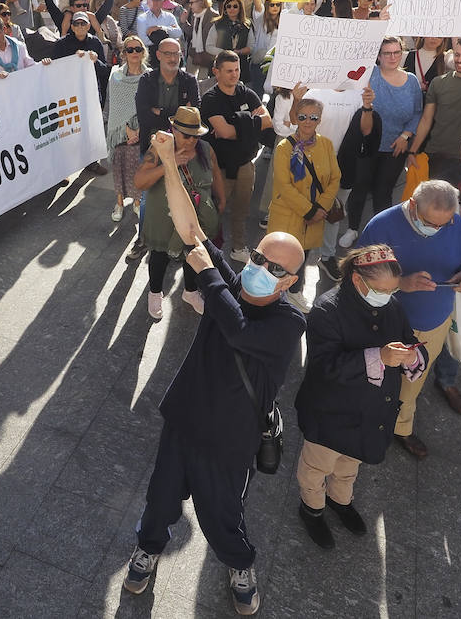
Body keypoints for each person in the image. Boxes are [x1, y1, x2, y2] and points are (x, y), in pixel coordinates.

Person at [123, 130, 306, 616]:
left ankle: (239, 564)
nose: (261, 267)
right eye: (259, 256)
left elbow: (240, 331)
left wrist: (207, 273)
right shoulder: (232, 280)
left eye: (274, 267)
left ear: (289, 283)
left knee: (223, 515)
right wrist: (167, 159)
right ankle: (147, 548)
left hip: (231, 438)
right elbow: (190, 230)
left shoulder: (289, 322)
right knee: (160, 500)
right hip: (185, 419)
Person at [292, 245, 422, 550]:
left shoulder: (392, 306)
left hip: (369, 412)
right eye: (380, 290)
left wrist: (414, 354)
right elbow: (324, 366)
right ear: (356, 280)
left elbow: (408, 339)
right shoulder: (327, 310)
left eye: (392, 290)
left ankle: (340, 501)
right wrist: (378, 357)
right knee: (316, 467)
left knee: (351, 462)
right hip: (331, 412)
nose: (387, 297)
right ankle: (311, 509)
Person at [356, 180, 461, 459]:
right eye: (429, 223)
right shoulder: (381, 225)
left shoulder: (454, 224)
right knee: (372, 376)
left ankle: (401, 428)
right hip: (384, 323)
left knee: (412, 384)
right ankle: (365, 420)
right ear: (412, 205)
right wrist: (401, 284)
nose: (436, 229)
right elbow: (357, 275)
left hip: (432, 325)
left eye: (443, 224)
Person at [134, 107, 226, 318]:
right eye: (186, 136)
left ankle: (191, 292)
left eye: (196, 136)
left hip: (194, 217)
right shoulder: (159, 148)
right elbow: (139, 181)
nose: (191, 141)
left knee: (193, 254)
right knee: (159, 256)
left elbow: (216, 173)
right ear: (174, 130)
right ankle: (155, 293)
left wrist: (221, 200)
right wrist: (169, 163)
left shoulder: (206, 149)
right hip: (163, 215)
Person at [341, 37, 423, 248]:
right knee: (359, 188)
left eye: (397, 52)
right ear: (378, 56)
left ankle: (379, 235)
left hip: (395, 148)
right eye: (387, 53)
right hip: (366, 145)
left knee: (383, 192)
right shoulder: (370, 74)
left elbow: (417, 113)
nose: (393, 57)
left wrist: (406, 136)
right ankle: (352, 228)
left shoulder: (412, 81)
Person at [202, 51, 271, 258]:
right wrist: (250, 120)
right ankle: (207, 251)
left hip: (245, 164)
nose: (234, 75)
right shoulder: (211, 99)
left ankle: (238, 247)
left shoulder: (247, 93)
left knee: (241, 211)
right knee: (215, 210)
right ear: (216, 72)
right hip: (219, 167)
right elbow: (223, 132)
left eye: (237, 70)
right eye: (229, 71)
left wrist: (237, 122)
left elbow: (268, 121)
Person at [268, 91, 341, 287]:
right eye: (302, 117)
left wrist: (321, 208)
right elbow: (284, 185)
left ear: (319, 120)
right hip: (288, 215)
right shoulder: (284, 147)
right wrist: (310, 210)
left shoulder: (326, 145)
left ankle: (294, 294)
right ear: (296, 118)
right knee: (280, 261)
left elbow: (335, 178)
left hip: (315, 216)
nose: (307, 121)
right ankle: (274, 297)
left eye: (313, 117)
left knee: (302, 256)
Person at [411, 36, 461, 181]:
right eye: (457, 55)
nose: (460, 60)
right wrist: (412, 150)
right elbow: (426, 119)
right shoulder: (438, 82)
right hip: (436, 155)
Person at [107, 35, 148, 222]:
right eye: (129, 49)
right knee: (119, 167)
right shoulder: (116, 75)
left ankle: (138, 203)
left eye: (138, 49)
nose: (134, 53)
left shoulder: (150, 76)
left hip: (143, 131)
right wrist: (126, 129)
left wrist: (139, 130)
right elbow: (114, 105)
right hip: (120, 131)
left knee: (138, 168)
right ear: (124, 54)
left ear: (143, 52)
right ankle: (119, 203)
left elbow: (151, 105)